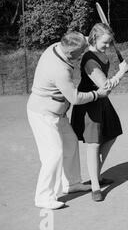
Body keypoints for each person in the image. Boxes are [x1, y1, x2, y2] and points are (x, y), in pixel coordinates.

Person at [27, 31, 110, 210]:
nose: (82, 54)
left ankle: (71, 184)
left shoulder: (61, 45)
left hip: (58, 114)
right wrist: (98, 94)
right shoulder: (59, 69)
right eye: (80, 52)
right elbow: (75, 98)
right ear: (72, 53)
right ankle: (43, 197)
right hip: (43, 114)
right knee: (53, 154)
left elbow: (84, 41)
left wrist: (102, 37)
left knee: (71, 143)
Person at [71, 24, 128, 202]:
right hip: (90, 103)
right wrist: (121, 73)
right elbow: (105, 87)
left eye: (110, 43)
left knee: (111, 135)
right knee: (94, 145)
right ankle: (95, 186)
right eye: (105, 42)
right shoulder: (89, 59)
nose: (108, 46)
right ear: (94, 38)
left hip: (102, 102)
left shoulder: (100, 53)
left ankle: (95, 173)